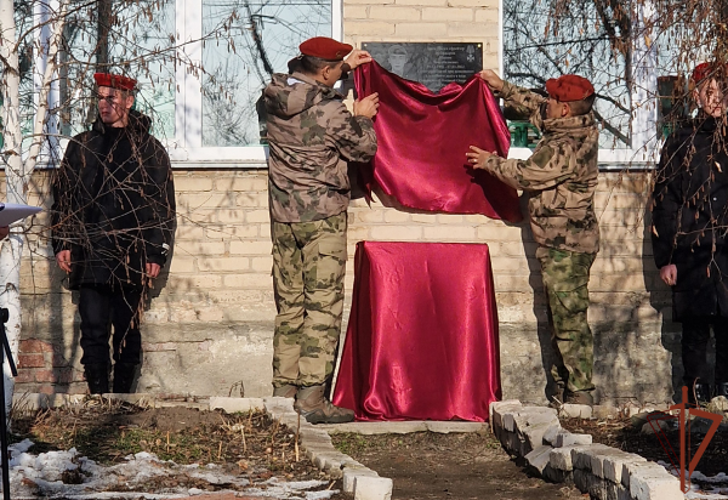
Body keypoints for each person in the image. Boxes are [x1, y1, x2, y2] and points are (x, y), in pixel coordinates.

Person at [466, 70, 600, 406]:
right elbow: (536, 107)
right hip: (558, 244)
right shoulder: (570, 124)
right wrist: (503, 88)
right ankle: (565, 390)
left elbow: (526, 175)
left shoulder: (566, 145)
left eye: (554, 99)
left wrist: (488, 162)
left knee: (568, 319)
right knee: (559, 317)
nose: (548, 102)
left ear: (565, 109)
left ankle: (579, 394)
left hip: (566, 247)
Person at [264, 36, 379, 423]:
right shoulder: (331, 112)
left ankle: (283, 394)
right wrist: (361, 115)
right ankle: (311, 400)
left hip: (283, 218)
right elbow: (363, 150)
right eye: (334, 68)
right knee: (322, 308)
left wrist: (342, 68)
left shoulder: (272, 97)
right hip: (322, 219)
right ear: (325, 71)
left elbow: (309, 84)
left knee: (290, 307)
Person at [51, 72, 175, 394]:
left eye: (112, 98)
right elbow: (64, 198)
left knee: (127, 331)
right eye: (100, 98)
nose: (104, 105)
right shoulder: (82, 146)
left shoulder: (148, 149)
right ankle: (98, 398)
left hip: (131, 255)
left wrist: (156, 252)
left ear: (129, 101)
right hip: (90, 253)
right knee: (92, 331)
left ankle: (121, 400)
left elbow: (162, 206)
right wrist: (63, 242)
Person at [651, 61, 728, 404]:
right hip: (692, 251)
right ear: (697, 96)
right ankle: (693, 401)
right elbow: (665, 203)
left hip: (727, 251)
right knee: (695, 331)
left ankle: (725, 396)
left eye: (723, 93)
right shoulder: (680, 142)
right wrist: (666, 258)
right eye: (710, 93)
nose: (717, 100)